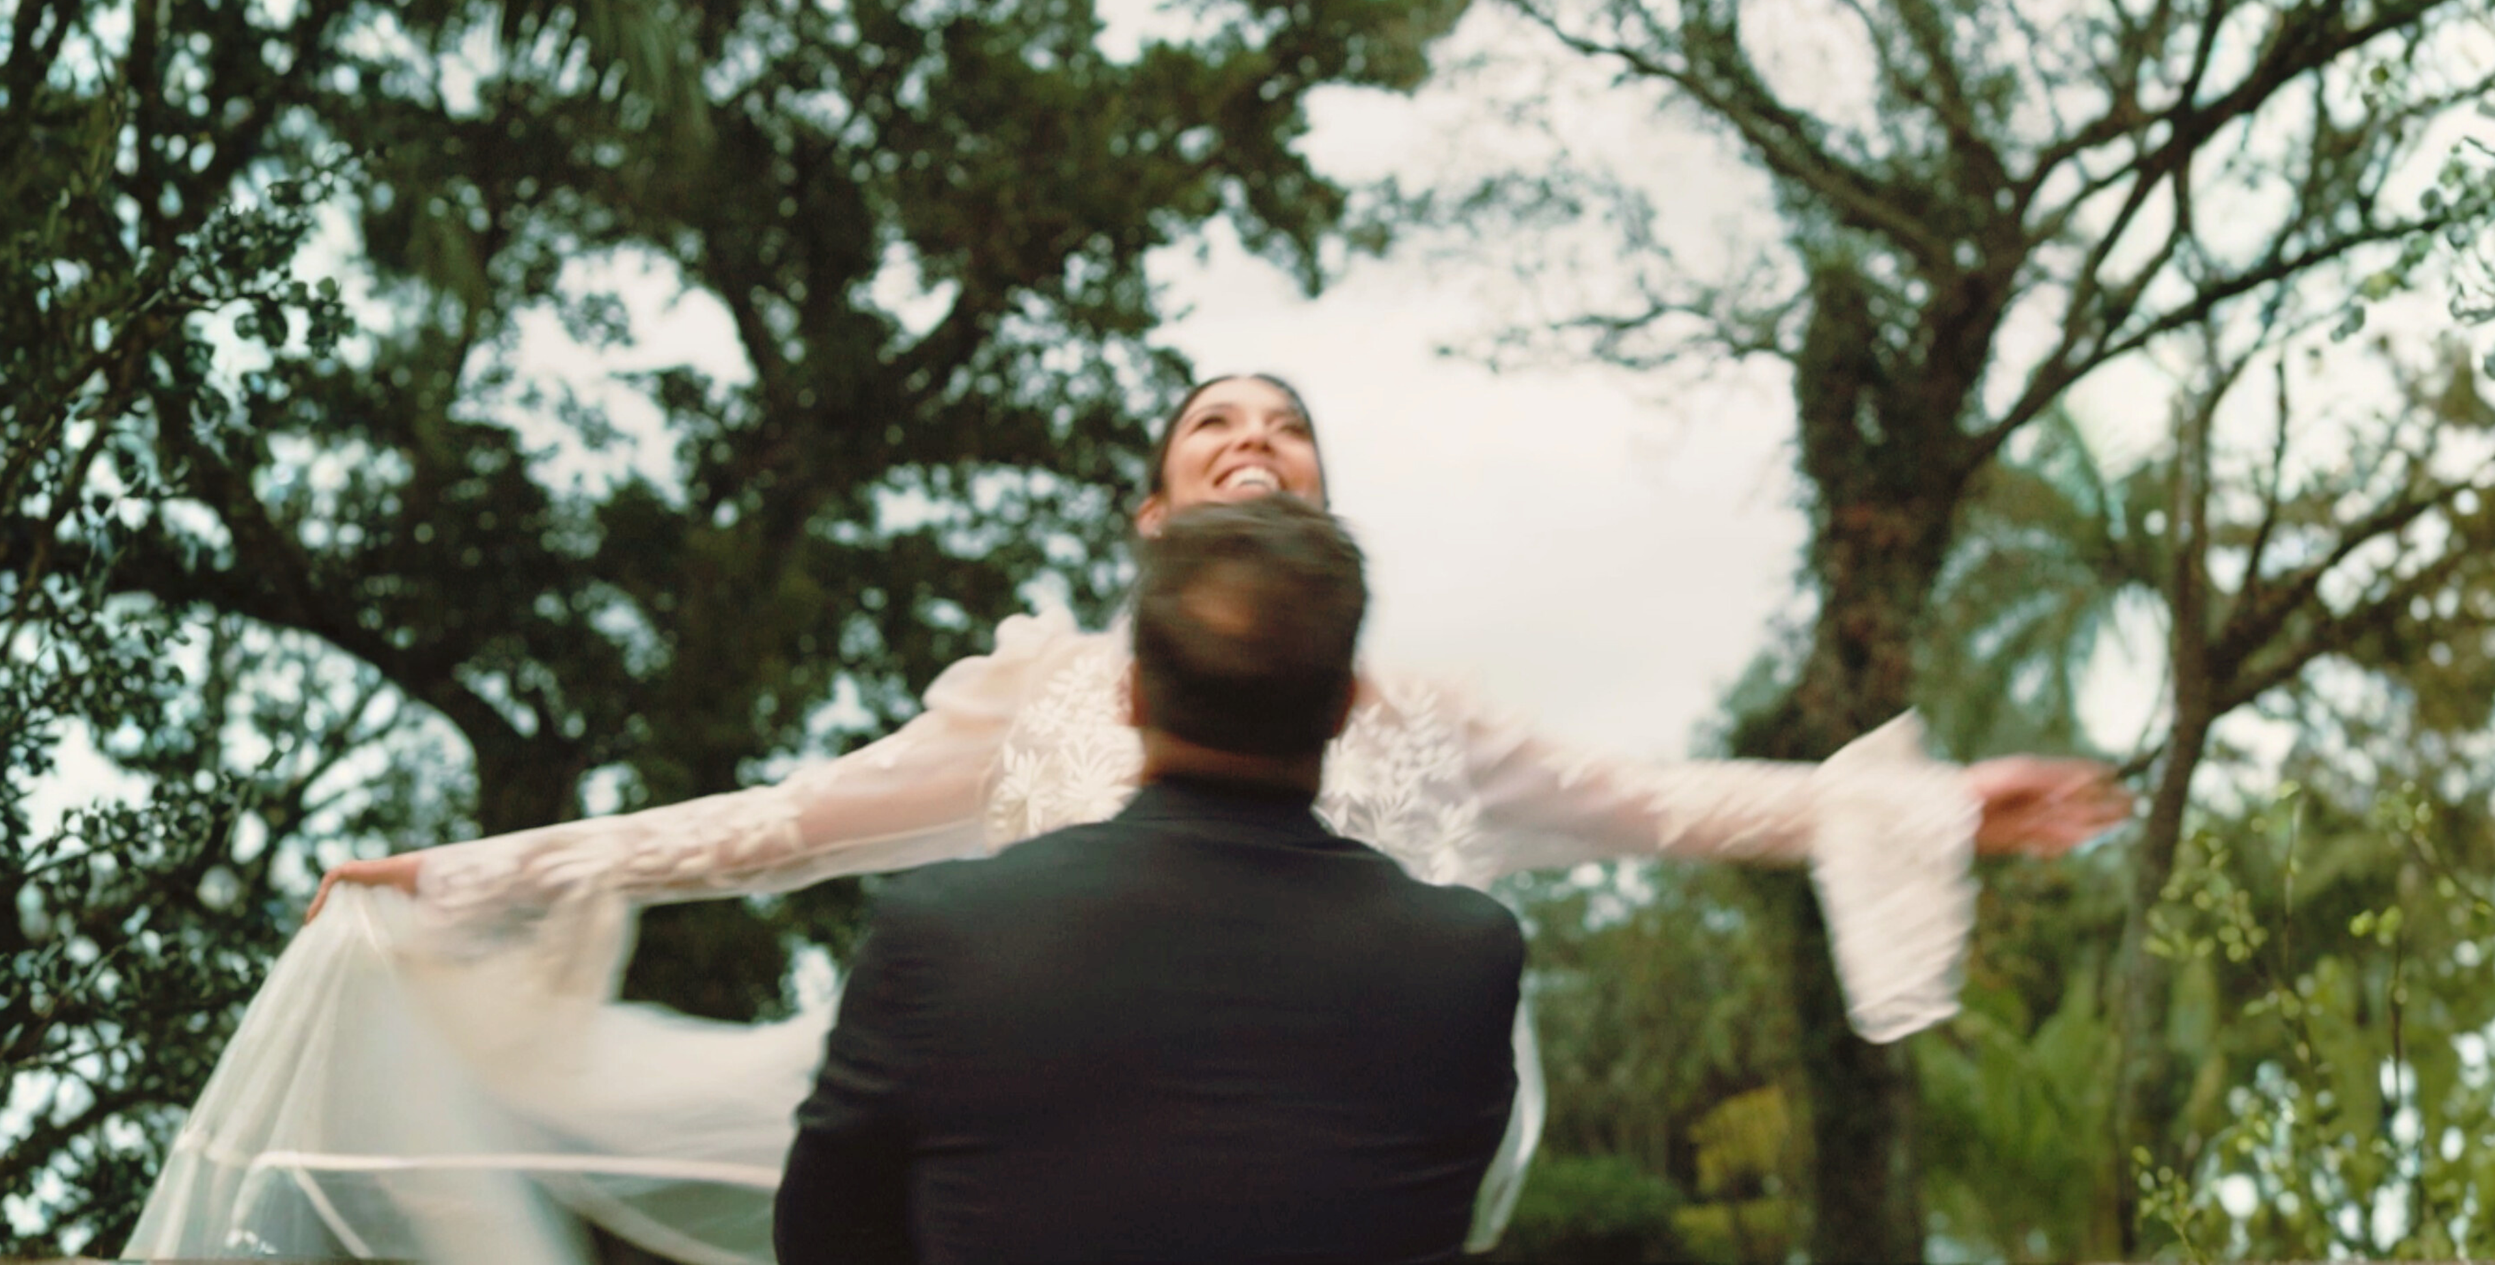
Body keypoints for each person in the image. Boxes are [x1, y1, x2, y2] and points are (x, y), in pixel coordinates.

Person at [127, 374, 2126, 1264]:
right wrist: (479, 871)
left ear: (1325, 513)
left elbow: (1669, 801)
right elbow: (780, 824)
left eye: (1286, 426)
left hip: (1337, 1136)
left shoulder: (1419, 714)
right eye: (1209, 428)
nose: (1252, 436)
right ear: (1154, 520)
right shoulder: (1048, 697)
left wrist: (1936, 791)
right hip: (1043, 1108)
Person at [774, 493, 1524, 1265]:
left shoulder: (943, 931)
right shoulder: (1466, 960)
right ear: (1343, 707)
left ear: (1129, 694)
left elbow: (823, 1239)